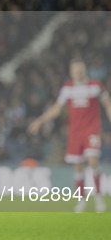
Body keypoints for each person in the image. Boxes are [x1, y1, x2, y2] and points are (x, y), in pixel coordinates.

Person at [28, 58, 111, 212]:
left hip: (91, 130)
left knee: (93, 161)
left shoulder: (95, 86)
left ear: (85, 70)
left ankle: (99, 198)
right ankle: (81, 200)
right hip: (74, 133)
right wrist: (39, 121)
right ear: (71, 72)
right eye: (75, 70)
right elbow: (56, 109)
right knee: (78, 167)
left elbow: (107, 104)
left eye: (80, 69)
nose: (78, 73)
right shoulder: (68, 89)